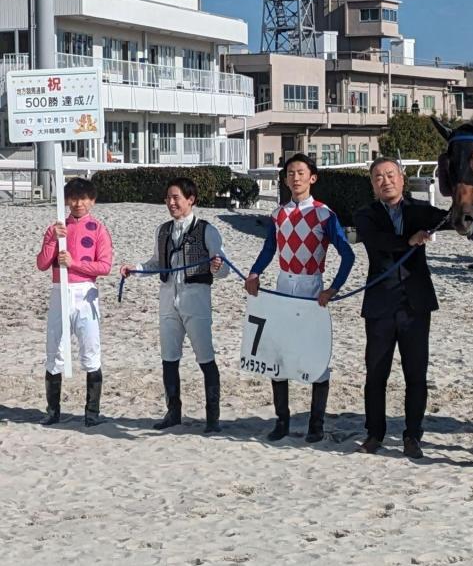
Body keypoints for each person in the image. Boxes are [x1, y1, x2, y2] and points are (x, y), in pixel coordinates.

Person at [245, 153, 355, 443]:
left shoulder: (324, 214)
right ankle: (282, 421)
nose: (296, 178)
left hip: (311, 288)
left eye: (301, 172)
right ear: (284, 179)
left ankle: (316, 425)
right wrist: (254, 273)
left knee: (315, 356)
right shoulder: (278, 214)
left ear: (312, 178)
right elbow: (269, 249)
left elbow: (347, 254)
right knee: (277, 355)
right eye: (291, 173)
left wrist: (333, 288)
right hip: (283, 286)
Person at [353, 157, 449, 459]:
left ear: (402, 178)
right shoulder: (365, 214)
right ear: (373, 184)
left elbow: (452, 219)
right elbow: (378, 242)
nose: (386, 181)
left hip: (415, 305)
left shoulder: (419, 210)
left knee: (416, 374)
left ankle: (412, 435)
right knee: (376, 373)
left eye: (391, 175)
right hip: (380, 305)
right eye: (379, 177)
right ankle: (374, 434)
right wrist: (410, 240)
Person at [120, 178, 229, 434]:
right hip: (168, 299)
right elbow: (156, 263)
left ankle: (212, 417)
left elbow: (224, 268)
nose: (171, 202)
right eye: (168, 198)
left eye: (176, 197)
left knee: (205, 357)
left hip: (196, 300)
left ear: (191, 200)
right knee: (169, 357)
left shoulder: (207, 230)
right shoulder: (163, 231)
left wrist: (217, 266)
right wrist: (135, 269)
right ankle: (173, 412)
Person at [36, 178, 113, 427]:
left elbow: (105, 266)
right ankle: (53, 411)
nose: (78, 203)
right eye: (74, 198)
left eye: (84, 198)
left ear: (92, 201)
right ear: (67, 200)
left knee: (90, 349)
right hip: (59, 291)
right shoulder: (57, 228)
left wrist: (74, 264)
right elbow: (42, 264)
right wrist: (52, 239)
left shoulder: (98, 229)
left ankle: (92, 413)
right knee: (55, 349)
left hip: (85, 293)